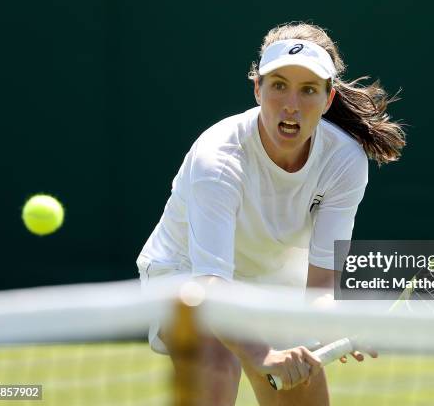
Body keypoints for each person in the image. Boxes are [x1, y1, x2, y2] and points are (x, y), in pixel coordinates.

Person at [136, 21, 405, 406]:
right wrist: (262, 354)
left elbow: (319, 290)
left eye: (308, 89)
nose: (291, 104)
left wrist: (342, 321)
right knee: (217, 360)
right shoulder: (219, 158)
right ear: (258, 89)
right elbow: (210, 287)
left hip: (273, 278)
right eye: (278, 85)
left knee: (303, 389)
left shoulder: (344, 160)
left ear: (328, 100)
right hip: (189, 278)